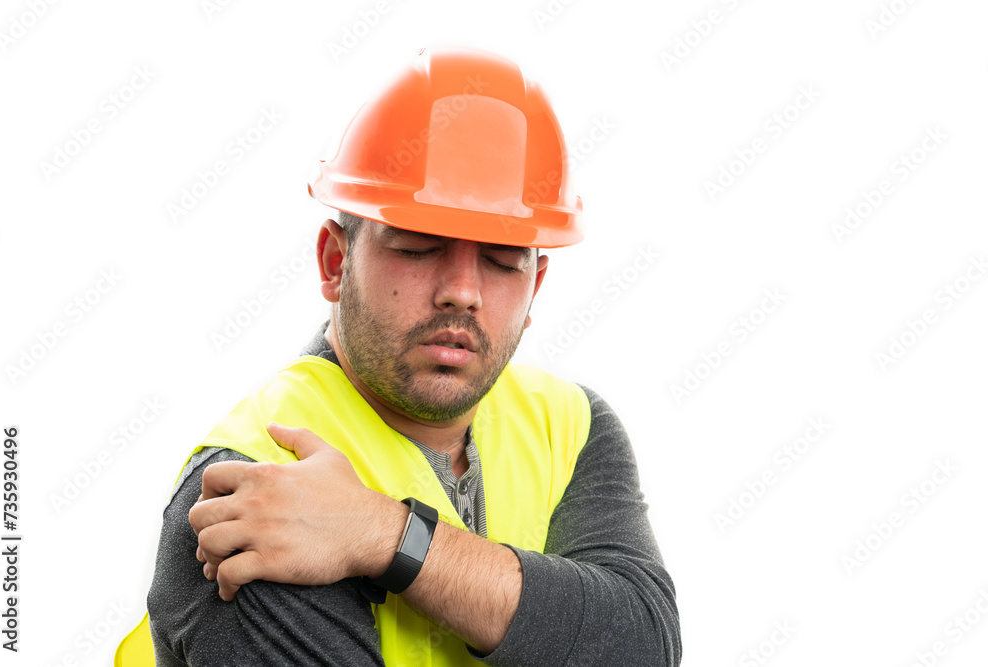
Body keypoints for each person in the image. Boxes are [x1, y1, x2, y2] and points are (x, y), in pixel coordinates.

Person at [128, 47, 681, 666]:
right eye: (420, 245)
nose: (462, 291)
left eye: (502, 260)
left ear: (535, 289)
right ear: (335, 262)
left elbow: (641, 646)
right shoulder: (255, 489)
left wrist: (384, 533)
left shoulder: (569, 424)